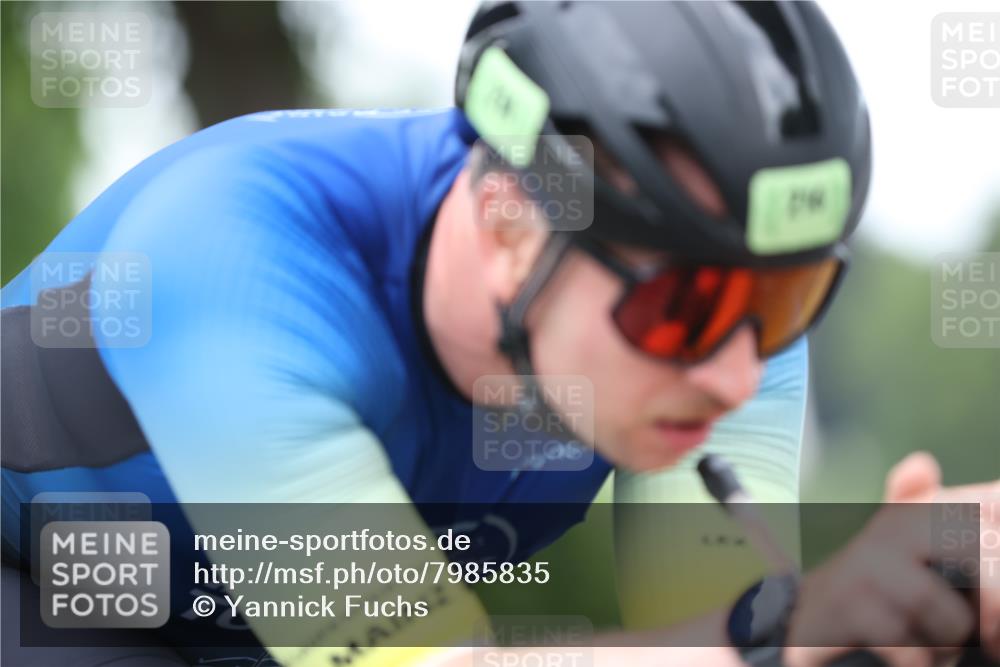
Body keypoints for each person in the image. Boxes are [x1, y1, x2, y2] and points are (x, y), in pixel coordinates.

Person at [1, 2, 997, 667]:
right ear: (513, 226)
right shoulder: (232, 252)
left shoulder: (719, 327)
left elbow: (729, 632)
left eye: (784, 302)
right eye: (684, 308)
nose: (739, 372)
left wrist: (927, 586)